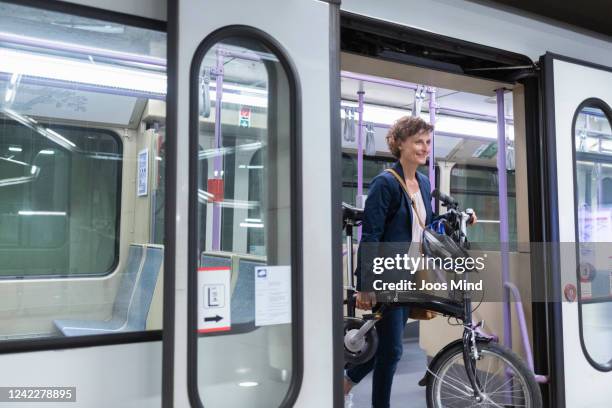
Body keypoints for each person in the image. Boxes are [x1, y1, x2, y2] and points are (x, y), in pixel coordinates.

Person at [344, 116, 476, 408]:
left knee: (385, 347)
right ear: (399, 143)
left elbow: (425, 227)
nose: (425, 147)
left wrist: (459, 220)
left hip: (411, 274)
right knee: (391, 350)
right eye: (418, 141)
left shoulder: (425, 181)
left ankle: (342, 384)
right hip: (387, 276)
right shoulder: (385, 184)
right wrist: (365, 284)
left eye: (428, 142)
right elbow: (372, 235)